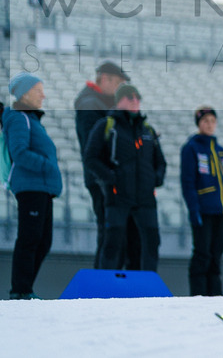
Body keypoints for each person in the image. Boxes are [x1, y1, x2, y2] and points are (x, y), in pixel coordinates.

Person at [84, 82, 166, 272]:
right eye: (131, 97)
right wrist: (110, 178)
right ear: (119, 100)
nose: (136, 101)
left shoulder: (148, 130)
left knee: (151, 241)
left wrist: (157, 178)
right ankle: (106, 287)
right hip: (117, 196)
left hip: (145, 198)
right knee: (113, 241)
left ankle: (147, 286)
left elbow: (160, 162)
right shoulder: (107, 126)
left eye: (138, 98)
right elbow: (90, 158)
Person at [74, 59, 141, 269]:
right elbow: (94, 150)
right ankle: (103, 284)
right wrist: (111, 177)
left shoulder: (97, 103)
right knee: (110, 232)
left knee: (115, 232)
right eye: (118, 83)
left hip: (107, 178)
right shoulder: (91, 105)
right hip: (103, 179)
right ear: (105, 79)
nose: (119, 89)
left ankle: (109, 283)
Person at [4, 73, 62, 299]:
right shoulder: (19, 117)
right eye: (39, 91)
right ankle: (20, 290)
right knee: (30, 239)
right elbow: (19, 152)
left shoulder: (31, 119)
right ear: (26, 93)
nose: (43, 95)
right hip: (31, 187)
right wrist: (47, 166)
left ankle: (24, 289)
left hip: (41, 188)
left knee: (42, 241)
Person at [181, 107, 223, 296]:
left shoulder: (221, 151)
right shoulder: (192, 148)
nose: (209, 124)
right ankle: (198, 295)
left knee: (216, 255)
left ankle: (215, 296)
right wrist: (193, 209)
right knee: (202, 253)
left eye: (212, 120)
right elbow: (188, 182)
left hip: (219, 211)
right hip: (203, 210)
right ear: (199, 124)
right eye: (205, 121)